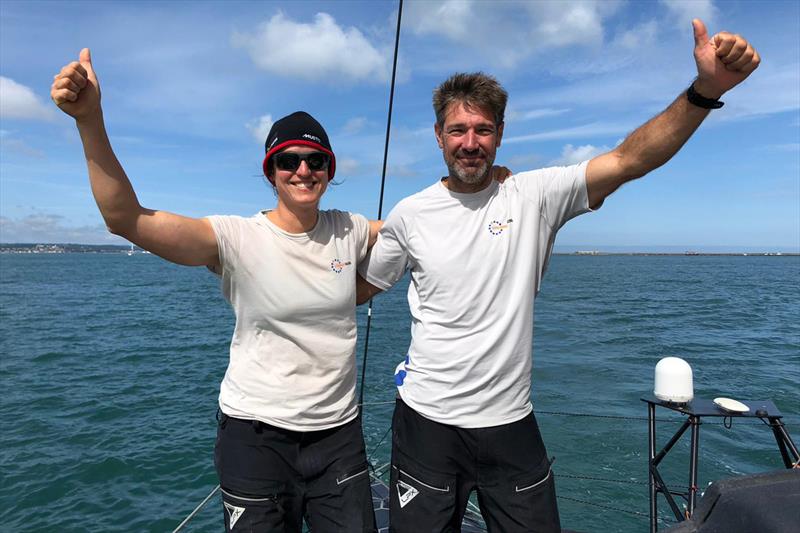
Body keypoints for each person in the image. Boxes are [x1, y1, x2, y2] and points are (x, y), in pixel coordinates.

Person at [356, 19, 760, 532]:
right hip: (425, 424)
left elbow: (628, 159)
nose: (470, 142)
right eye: (458, 130)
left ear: (500, 134)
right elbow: (362, 287)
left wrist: (705, 91)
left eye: (483, 129)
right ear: (439, 136)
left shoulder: (535, 196)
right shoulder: (410, 214)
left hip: (510, 425)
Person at [51, 49, 381, 532]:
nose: (303, 171)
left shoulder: (350, 229)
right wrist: (89, 120)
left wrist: (486, 185)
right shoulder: (234, 238)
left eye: (316, 161)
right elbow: (125, 218)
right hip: (256, 438)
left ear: (330, 171)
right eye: (288, 160)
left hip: (338, 437)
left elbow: (416, 229)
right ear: (271, 171)